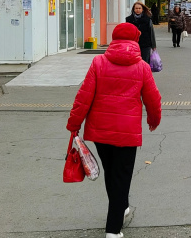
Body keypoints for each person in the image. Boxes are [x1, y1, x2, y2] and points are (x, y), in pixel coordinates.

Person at [67, 23, 162, 238]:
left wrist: (74, 124)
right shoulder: (142, 66)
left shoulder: (99, 62)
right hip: (127, 131)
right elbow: (153, 99)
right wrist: (154, 120)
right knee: (122, 175)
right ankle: (113, 229)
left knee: (112, 173)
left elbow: (84, 96)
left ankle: (122, 207)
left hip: (100, 131)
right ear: (135, 40)